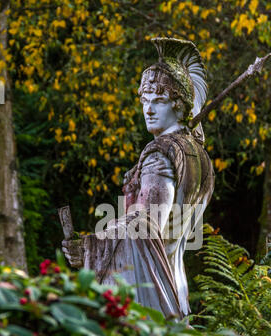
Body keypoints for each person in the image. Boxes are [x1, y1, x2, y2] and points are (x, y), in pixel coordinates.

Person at [62, 38, 214, 320]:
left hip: (147, 295)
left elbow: (144, 225)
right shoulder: (198, 156)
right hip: (175, 290)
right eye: (145, 101)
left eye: (159, 100)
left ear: (180, 106)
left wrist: (90, 247)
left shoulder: (160, 155)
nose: (148, 109)